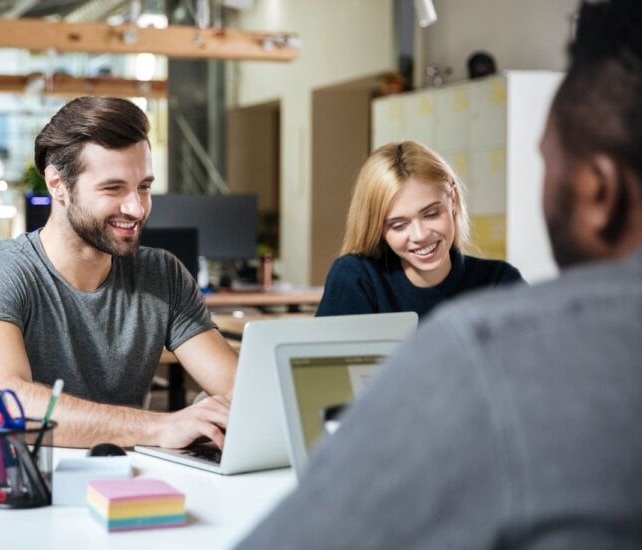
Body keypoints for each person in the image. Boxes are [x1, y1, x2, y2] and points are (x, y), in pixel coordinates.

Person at [238, 0, 642, 547]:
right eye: (398, 223)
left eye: (545, 159)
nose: (420, 234)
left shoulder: (479, 338)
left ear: (599, 188)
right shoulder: (372, 281)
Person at [0, 97, 238, 449]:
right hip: (17, 484)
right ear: (57, 184)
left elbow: (237, 388)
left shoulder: (161, 274)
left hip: (123, 484)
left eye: (144, 187)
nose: (136, 208)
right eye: (113, 188)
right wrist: (159, 427)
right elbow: (1, 407)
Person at [316, 140, 523, 318]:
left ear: (452, 199)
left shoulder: (499, 282)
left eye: (432, 214)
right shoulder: (357, 279)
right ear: (377, 228)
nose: (420, 235)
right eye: (398, 225)